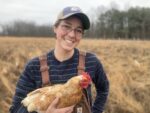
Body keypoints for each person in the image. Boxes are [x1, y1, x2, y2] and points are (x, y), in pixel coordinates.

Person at [9, 6, 109, 113]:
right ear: (55, 28)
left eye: (78, 30)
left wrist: (96, 111)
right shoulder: (34, 66)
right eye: (66, 26)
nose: (72, 35)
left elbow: (103, 89)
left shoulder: (92, 62)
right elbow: (16, 109)